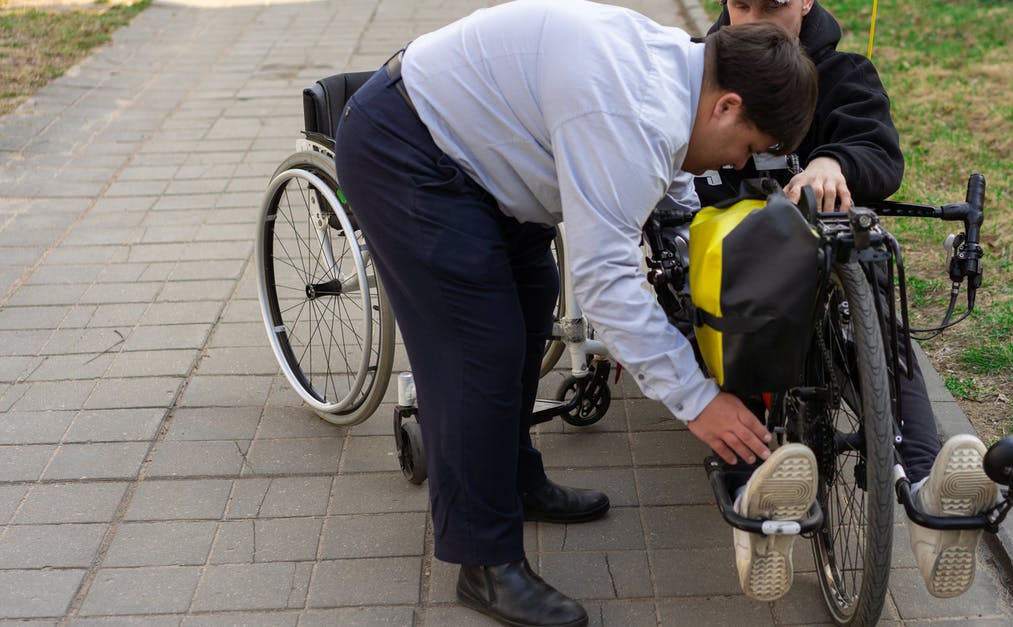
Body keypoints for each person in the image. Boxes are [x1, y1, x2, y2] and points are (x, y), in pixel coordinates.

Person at [333, 2, 819, 625]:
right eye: (746, 147)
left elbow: (655, 173)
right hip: (406, 148)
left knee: (528, 315)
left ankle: (513, 480)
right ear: (726, 105)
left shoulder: (683, 70)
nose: (736, 164)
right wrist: (696, 401)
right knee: (478, 352)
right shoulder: (630, 111)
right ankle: (485, 563)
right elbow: (607, 281)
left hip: (483, 158)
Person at [696, 0, 998, 602]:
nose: (755, 19)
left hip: (827, 255)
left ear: (806, 2)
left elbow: (880, 152)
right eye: (741, 4)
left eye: (774, 5)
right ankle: (750, 488)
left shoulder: (844, 73)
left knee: (880, 304)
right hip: (736, 271)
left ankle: (927, 480)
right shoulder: (704, 72)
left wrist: (833, 161)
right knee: (725, 293)